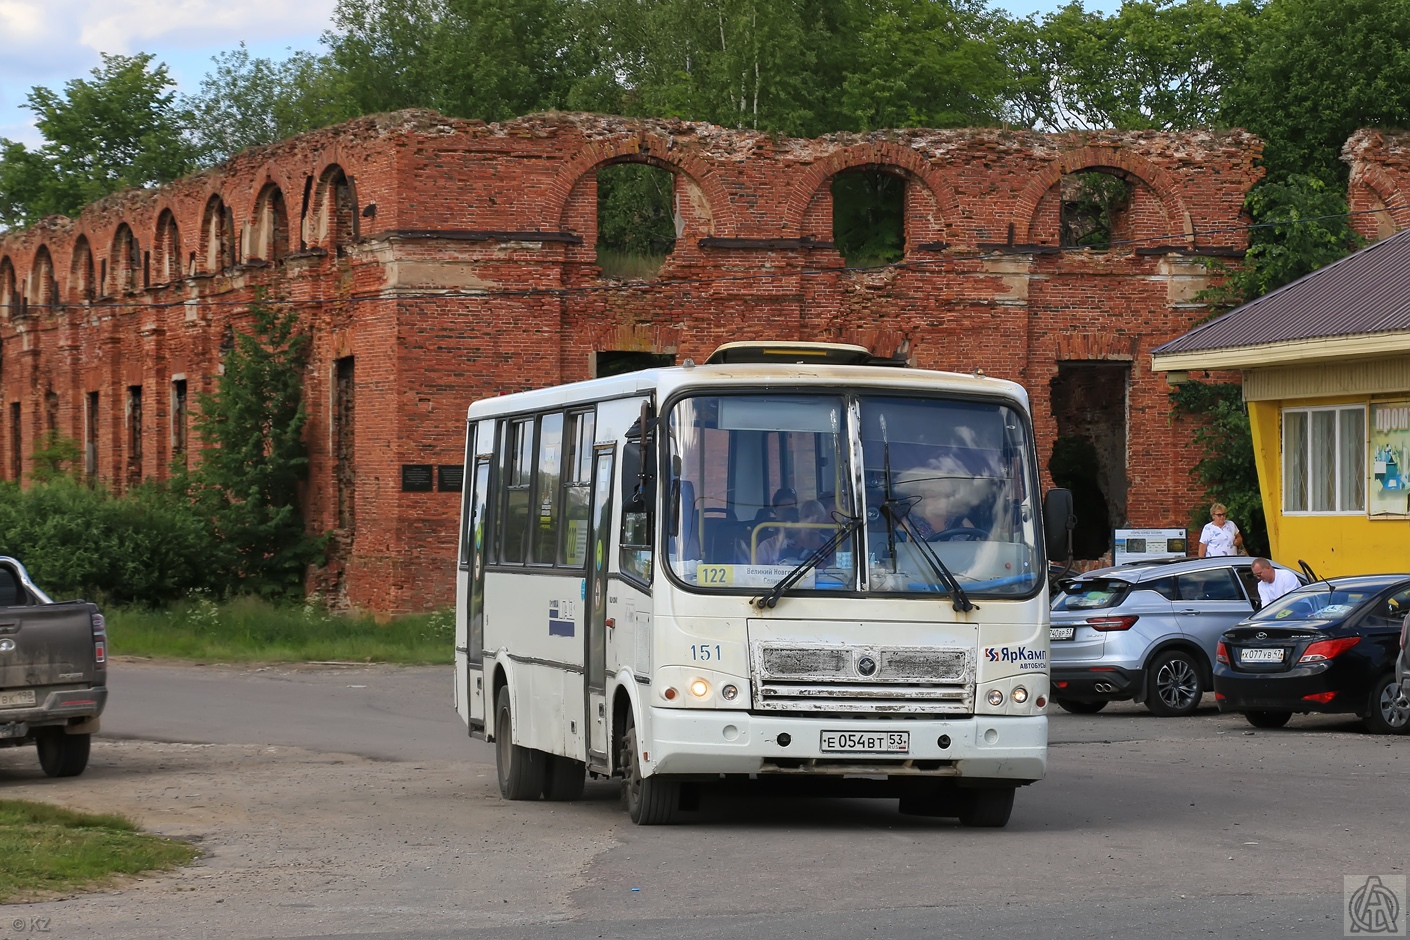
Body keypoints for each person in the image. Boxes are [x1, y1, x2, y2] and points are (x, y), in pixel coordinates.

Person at [756, 499, 829, 564]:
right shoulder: (783, 545)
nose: (813, 521)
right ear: (799, 520)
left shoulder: (831, 543)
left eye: (817, 517)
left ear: (823, 520)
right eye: (807, 516)